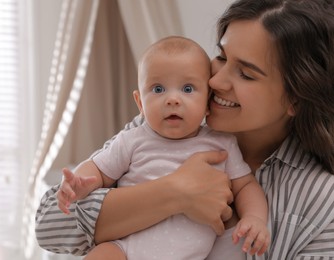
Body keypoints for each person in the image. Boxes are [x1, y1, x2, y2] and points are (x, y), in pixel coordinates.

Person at [35, 0, 334, 259]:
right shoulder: (162, 125)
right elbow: (49, 225)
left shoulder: (320, 201)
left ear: (296, 97)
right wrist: (175, 192)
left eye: (245, 73)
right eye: (221, 57)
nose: (215, 82)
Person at [56, 36, 269, 260]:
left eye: (188, 88)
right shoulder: (132, 140)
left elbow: (245, 185)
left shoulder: (221, 143)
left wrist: (255, 217)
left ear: (208, 103)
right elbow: (97, 169)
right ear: (140, 103)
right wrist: (78, 182)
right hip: (125, 248)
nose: (173, 99)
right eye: (158, 89)